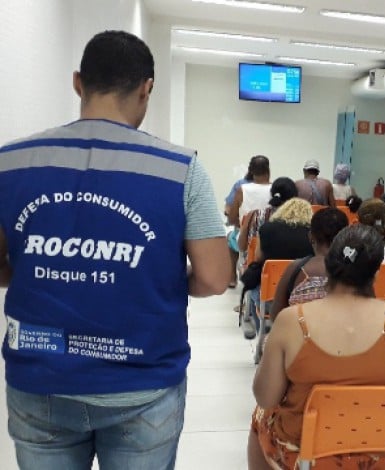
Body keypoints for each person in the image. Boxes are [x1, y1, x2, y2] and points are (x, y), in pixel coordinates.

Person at [0, 30, 231, 469]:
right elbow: (215, 278)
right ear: (147, 88)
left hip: (39, 381)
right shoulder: (181, 170)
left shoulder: (10, 162)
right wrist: (156, 279)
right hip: (142, 386)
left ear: (78, 83)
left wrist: (36, 267)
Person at [248, 224, 385, 469]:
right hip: (378, 451)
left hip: (305, 453)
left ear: (327, 265)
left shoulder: (292, 320)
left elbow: (265, 397)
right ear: (375, 273)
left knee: (260, 414)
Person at [247, 198, 315, 333]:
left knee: (253, 289)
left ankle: (262, 332)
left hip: (269, 300)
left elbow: (258, 258)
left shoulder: (266, 229)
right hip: (304, 298)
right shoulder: (314, 235)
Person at [270, 208, 349, 321]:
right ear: (346, 237)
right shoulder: (356, 269)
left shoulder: (296, 268)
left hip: (300, 331)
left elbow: (276, 316)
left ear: (311, 236)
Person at [224, 160, 254, 288]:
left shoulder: (241, 185)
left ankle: (232, 278)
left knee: (230, 240)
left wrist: (232, 220)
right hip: (263, 234)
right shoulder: (270, 187)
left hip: (243, 233)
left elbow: (228, 208)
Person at [229, 155, 272, 228]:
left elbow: (232, 219)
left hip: (246, 233)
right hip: (269, 233)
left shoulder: (242, 190)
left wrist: (244, 228)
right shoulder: (275, 189)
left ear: (251, 171)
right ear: (268, 170)